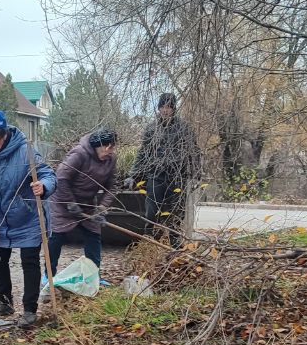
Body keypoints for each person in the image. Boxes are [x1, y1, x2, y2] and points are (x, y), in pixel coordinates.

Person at [0, 109, 56, 327]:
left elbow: (48, 175)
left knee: (29, 262)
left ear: (4, 134)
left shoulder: (25, 152)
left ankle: (29, 310)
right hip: (2, 218)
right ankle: (5, 302)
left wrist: (43, 186)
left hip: (29, 217)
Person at [132, 93, 199, 246]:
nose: (165, 110)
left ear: (174, 109)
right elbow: (143, 152)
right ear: (158, 108)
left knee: (177, 211)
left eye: (168, 107)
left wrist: (196, 173)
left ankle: (175, 243)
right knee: (151, 210)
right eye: (162, 107)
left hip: (177, 177)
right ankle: (150, 240)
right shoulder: (151, 129)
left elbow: (194, 151)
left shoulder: (183, 128)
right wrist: (133, 174)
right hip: (156, 175)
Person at [48, 128, 118, 269]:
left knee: (93, 234)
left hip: (87, 204)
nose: (111, 152)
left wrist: (102, 208)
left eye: (112, 149)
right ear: (104, 146)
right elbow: (61, 179)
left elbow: (113, 187)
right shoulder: (79, 154)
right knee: (57, 236)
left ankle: (93, 274)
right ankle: (49, 274)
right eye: (109, 148)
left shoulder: (111, 160)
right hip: (63, 202)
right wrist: (70, 202)